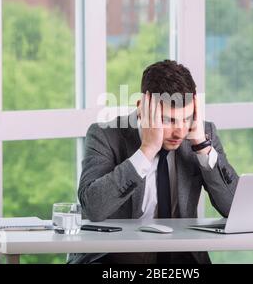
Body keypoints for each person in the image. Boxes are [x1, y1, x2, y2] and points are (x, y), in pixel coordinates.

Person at [68, 60, 239, 264]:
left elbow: (234, 209)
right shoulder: (105, 135)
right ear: (142, 109)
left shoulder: (202, 134)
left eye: (186, 118)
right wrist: (146, 150)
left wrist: (202, 147)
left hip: (181, 261)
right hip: (115, 260)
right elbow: (93, 208)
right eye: (168, 120)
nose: (180, 131)